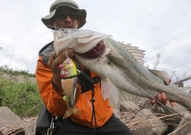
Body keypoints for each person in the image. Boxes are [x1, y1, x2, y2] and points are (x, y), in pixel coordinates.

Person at [36, 0, 175, 135]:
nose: (68, 19)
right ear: (52, 23)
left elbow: (128, 73)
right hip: (71, 120)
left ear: (79, 22)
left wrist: (159, 83)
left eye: (73, 15)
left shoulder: (96, 46)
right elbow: (55, 109)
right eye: (61, 15)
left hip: (105, 120)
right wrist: (57, 80)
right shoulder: (46, 60)